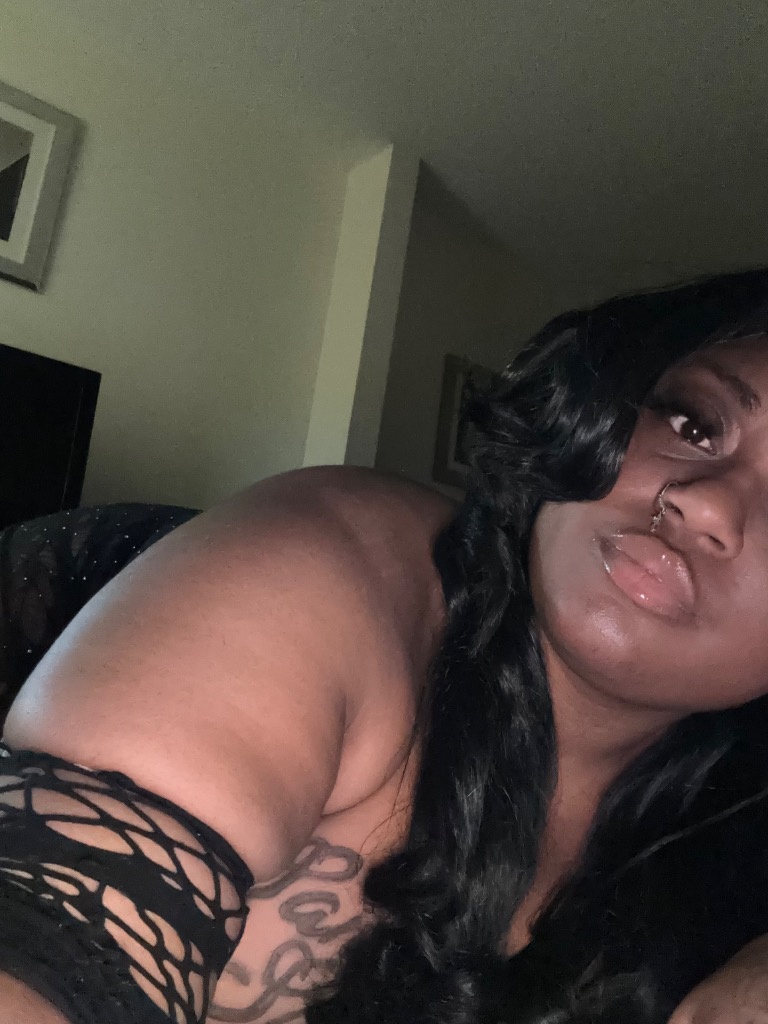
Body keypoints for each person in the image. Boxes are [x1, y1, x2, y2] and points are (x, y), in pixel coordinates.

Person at [3, 270, 768, 1024]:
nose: (705, 504)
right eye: (694, 425)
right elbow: (52, 948)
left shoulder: (724, 868)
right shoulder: (331, 570)